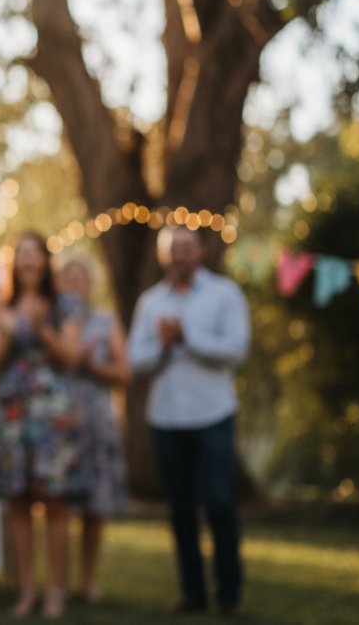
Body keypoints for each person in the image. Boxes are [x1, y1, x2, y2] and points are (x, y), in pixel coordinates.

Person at [127, 226, 250, 618]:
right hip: (166, 418)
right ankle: (192, 591)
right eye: (173, 249)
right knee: (180, 510)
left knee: (219, 504)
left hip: (213, 414)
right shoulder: (149, 302)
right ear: (165, 256)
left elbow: (236, 350)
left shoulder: (224, 294)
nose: (179, 255)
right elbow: (135, 360)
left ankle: (229, 593)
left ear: (200, 252)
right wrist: (163, 346)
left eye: (186, 248)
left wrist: (187, 336)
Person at [0, 231, 84, 619]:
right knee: (18, 501)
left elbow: (71, 357)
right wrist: (7, 332)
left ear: (45, 260)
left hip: (52, 413)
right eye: (21, 253)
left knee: (56, 502)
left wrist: (41, 327)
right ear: (13, 262)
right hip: (11, 413)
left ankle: (56, 591)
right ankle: (26, 591)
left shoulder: (65, 304)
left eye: (34, 253)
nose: (28, 260)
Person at [58, 256, 131, 603]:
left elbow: (124, 374)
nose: (74, 285)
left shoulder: (106, 320)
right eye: (67, 279)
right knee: (59, 505)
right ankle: (58, 581)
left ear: (91, 284)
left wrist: (93, 365)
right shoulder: (53, 322)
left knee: (94, 506)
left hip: (97, 419)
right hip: (59, 420)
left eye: (80, 279)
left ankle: (87, 582)